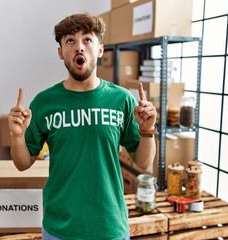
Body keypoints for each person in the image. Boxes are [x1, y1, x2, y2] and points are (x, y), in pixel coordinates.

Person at [8, 12, 157, 240]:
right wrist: (17, 136)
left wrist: (147, 131)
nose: (79, 47)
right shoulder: (44, 102)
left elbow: (143, 162)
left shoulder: (122, 99)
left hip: (110, 228)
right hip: (59, 230)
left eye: (87, 39)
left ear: (99, 49)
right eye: (70, 41)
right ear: (60, 52)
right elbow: (22, 163)